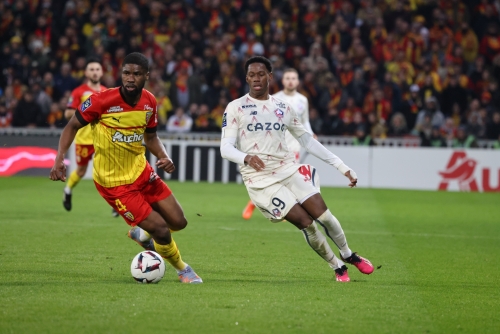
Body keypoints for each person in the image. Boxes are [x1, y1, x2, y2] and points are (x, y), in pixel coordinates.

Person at [50, 53, 202, 284]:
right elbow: (71, 127)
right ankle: (183, 269)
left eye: (137, 74)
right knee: (162, 230)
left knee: (179, 222)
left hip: (142, 172)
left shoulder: (149, 101)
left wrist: (164, 156)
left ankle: (141, 233)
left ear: (146, 76)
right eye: (126, 73)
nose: (130, 78)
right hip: (115, 184)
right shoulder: (101, 101)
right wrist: (59, 159)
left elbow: (151, 138)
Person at [221, 56, 373, 282]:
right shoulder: (235, 108)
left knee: (326, 216)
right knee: (307, 223)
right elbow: (225, 148)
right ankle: (337, 266)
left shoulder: (284, 108)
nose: (256, 79)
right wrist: (246, 157)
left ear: (270, 77)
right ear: (246, 78)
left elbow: (308, 141)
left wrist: (342, 167)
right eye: (251, 75)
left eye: (261, 74)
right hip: (261, 181)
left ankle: (348, 254)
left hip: (288, 169)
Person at [242, 68, 315, 220]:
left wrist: (310, 133)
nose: (290, 81)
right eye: (287, 78)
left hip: (294, 144)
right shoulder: (272, 98)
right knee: (271, 175)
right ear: (283, 81)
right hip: (275, 143)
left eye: (293, 78)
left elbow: (305, 120)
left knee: (288, 176)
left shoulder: (303, 100)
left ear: (297, 81)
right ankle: (256, 203)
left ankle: (281, 208)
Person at [61, 58, 115, 215]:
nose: (95, 72)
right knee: (81, 171)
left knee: (109, 172)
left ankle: (116, 205)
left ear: (102, 72)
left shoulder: (106, 92)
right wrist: (88, 111)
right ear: (85, 73)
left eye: (97, 69)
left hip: (103, 139)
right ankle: (68, 190)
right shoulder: (79, 92)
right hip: (84, 139)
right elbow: (67, 113)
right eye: (91, 69)